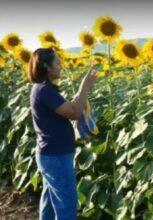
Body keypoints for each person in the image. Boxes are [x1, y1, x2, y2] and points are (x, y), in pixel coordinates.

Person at [28, 48, 97, 220]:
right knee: (67, 206)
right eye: (57, 63)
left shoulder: (42, 89)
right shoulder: (45, 91)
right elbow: (74, 113)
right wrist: (84, 86)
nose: (61, 66)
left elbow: (67, 110)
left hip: (51, 154)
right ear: (47, 67)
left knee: (50, 204)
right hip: (56, 156)